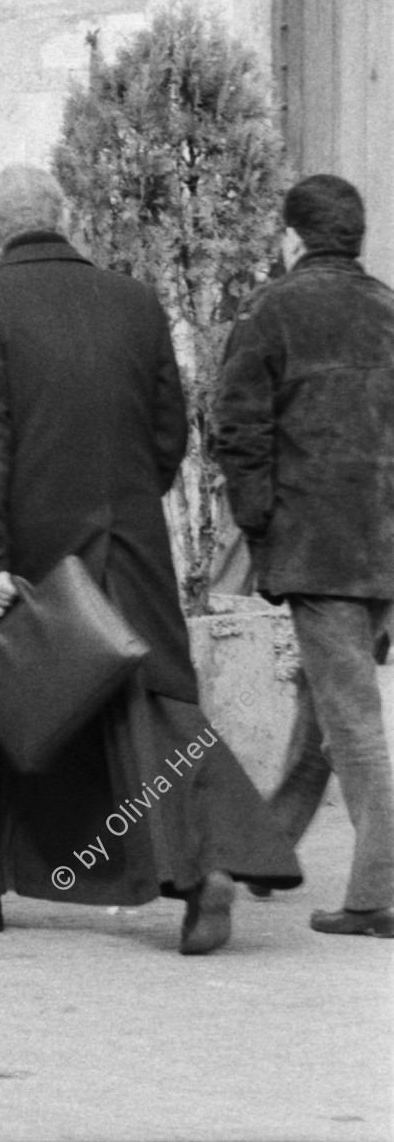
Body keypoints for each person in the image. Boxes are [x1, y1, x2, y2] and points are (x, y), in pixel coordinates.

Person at [0, 165, 301, 954]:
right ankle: (205, 867)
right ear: (64, 219)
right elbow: (168, 434)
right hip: (129, 535)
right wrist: (122, 499)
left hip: (23, 543)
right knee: (153, 696)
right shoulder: (134, 300)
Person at [213, 173, 394, 939]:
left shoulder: (271, 310)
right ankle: (266, 849)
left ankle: (376, 893)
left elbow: (237, 427)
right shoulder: (388, 309)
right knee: (320, 703)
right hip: (382, 541)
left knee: (350, 717)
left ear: (291, 236)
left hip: (318, 543)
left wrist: (257, 530)